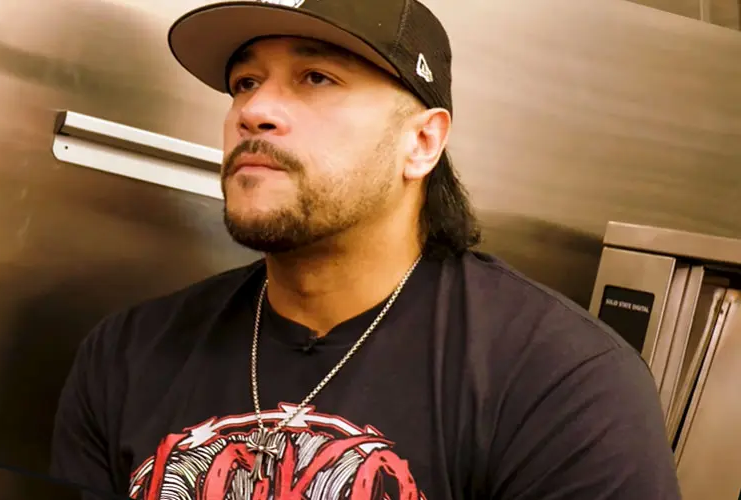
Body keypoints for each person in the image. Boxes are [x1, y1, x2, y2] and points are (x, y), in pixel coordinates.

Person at [49, 0, 683, 498]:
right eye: (244, 82)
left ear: (422, 143)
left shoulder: (562, 385)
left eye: (316, 77)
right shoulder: (126, 356)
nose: (254, 110)